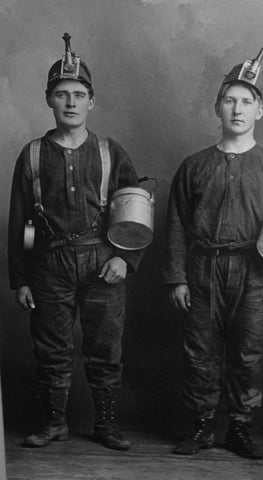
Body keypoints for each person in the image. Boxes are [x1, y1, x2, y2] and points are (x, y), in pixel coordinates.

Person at [162, 48, 263, 459]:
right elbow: (175, 224)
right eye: (230, 100)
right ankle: (202, 427)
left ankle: (240, 428)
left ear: (260, 110)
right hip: (203, 271)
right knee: (200, 352)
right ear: (217, 107)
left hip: (255, 274)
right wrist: (177, 277)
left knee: (246, 354)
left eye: (247, 101)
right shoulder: (194, 166)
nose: (238, 109)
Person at [8, 33, 144, 450]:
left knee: (105, 347)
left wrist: (125, 258)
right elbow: (21, 224)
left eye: (79, 94)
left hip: (102, 263)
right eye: (62, 94)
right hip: (50, 265)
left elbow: (134, 211)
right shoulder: (32, 155)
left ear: (92, 101)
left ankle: (105, 424)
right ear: (49, 99)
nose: (70, 102)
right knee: (51, 348)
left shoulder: (109, 152)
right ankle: (54, 423)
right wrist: (22, 278)